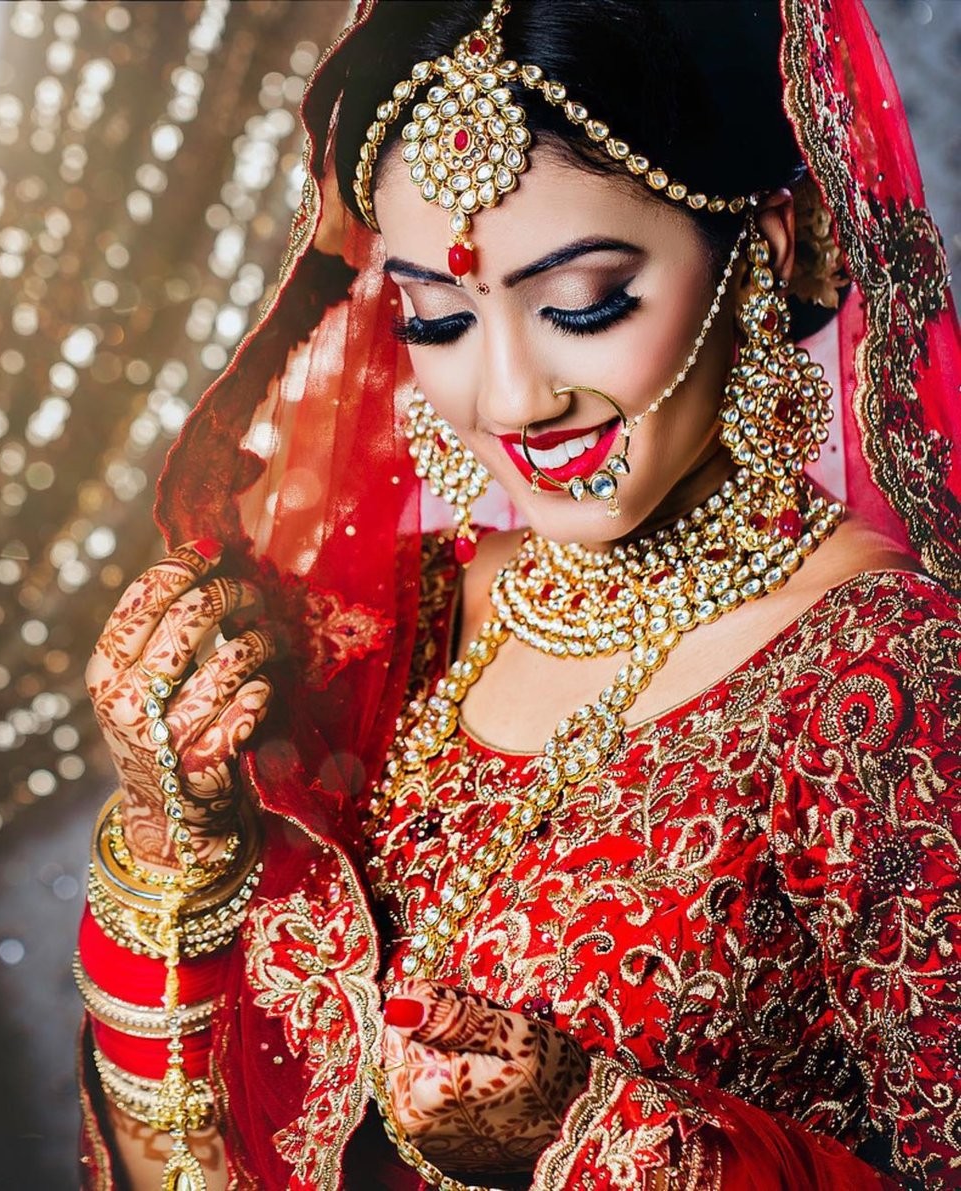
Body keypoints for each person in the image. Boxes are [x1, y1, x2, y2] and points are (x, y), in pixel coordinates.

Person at [75, 2, 961, 1188]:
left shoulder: (885, 683)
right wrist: (165, 843)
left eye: (582, 303)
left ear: (773, 242)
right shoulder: (384, 629)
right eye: (435, 318)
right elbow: (187, 1154)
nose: (507, 400)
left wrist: (590, 1133)